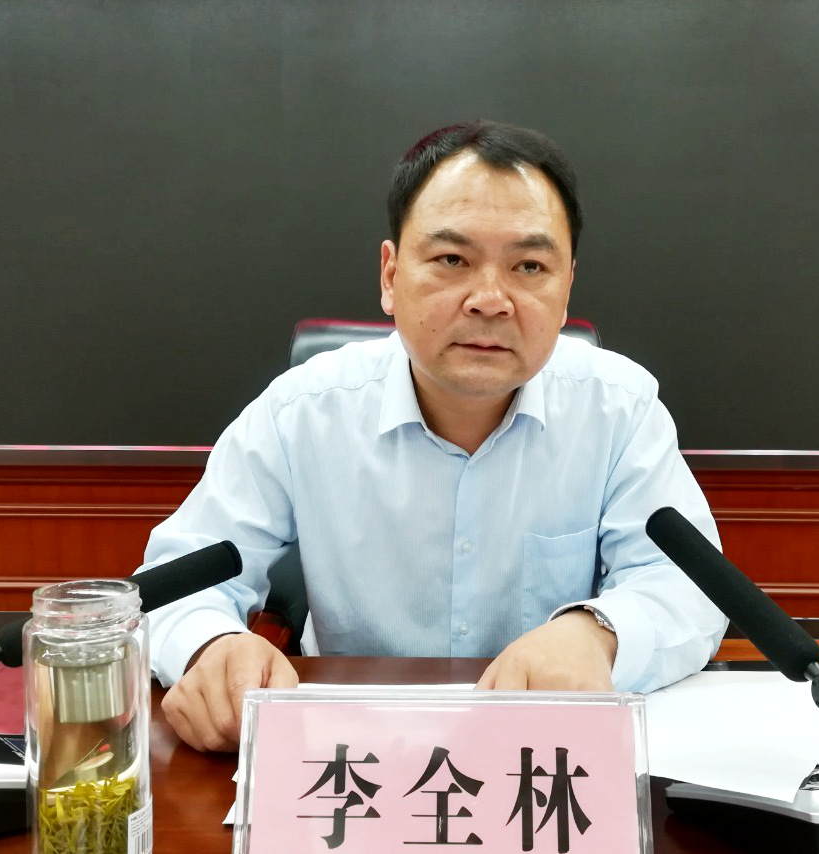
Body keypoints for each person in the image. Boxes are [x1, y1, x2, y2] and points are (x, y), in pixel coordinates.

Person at [138, 120, 727, 752]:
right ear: (390, 275)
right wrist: (210, 646)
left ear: (566, 290)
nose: (490, 299)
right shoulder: (301, 412)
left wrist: (598, 634)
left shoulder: (620, 410)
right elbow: (174, 578)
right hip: (346, 755)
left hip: (543, 754)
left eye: (530, 265)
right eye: (452, 260)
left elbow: (689, 588)